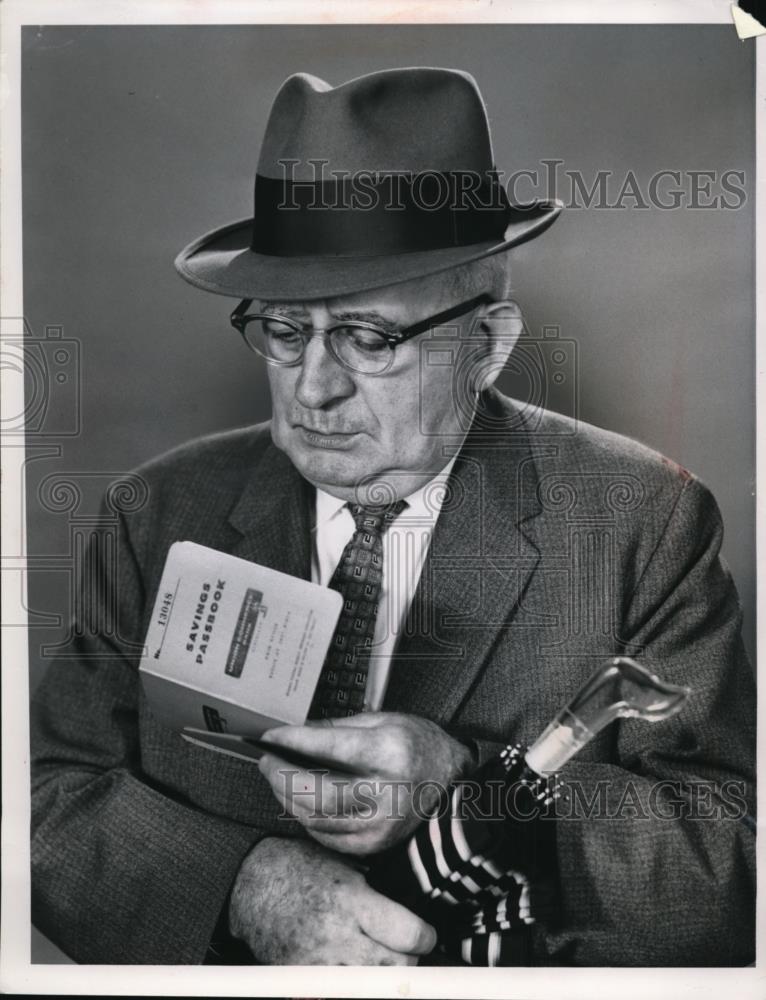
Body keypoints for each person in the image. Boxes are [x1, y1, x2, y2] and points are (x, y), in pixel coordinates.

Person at [30, 67, 755, 967]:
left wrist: (470, 792)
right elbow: (43, 797)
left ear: (486, 347)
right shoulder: (156, 511)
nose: (315, 388)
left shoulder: (642, 519)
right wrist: (246, 888)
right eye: (286, 332)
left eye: (370, 339)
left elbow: (731, 864)